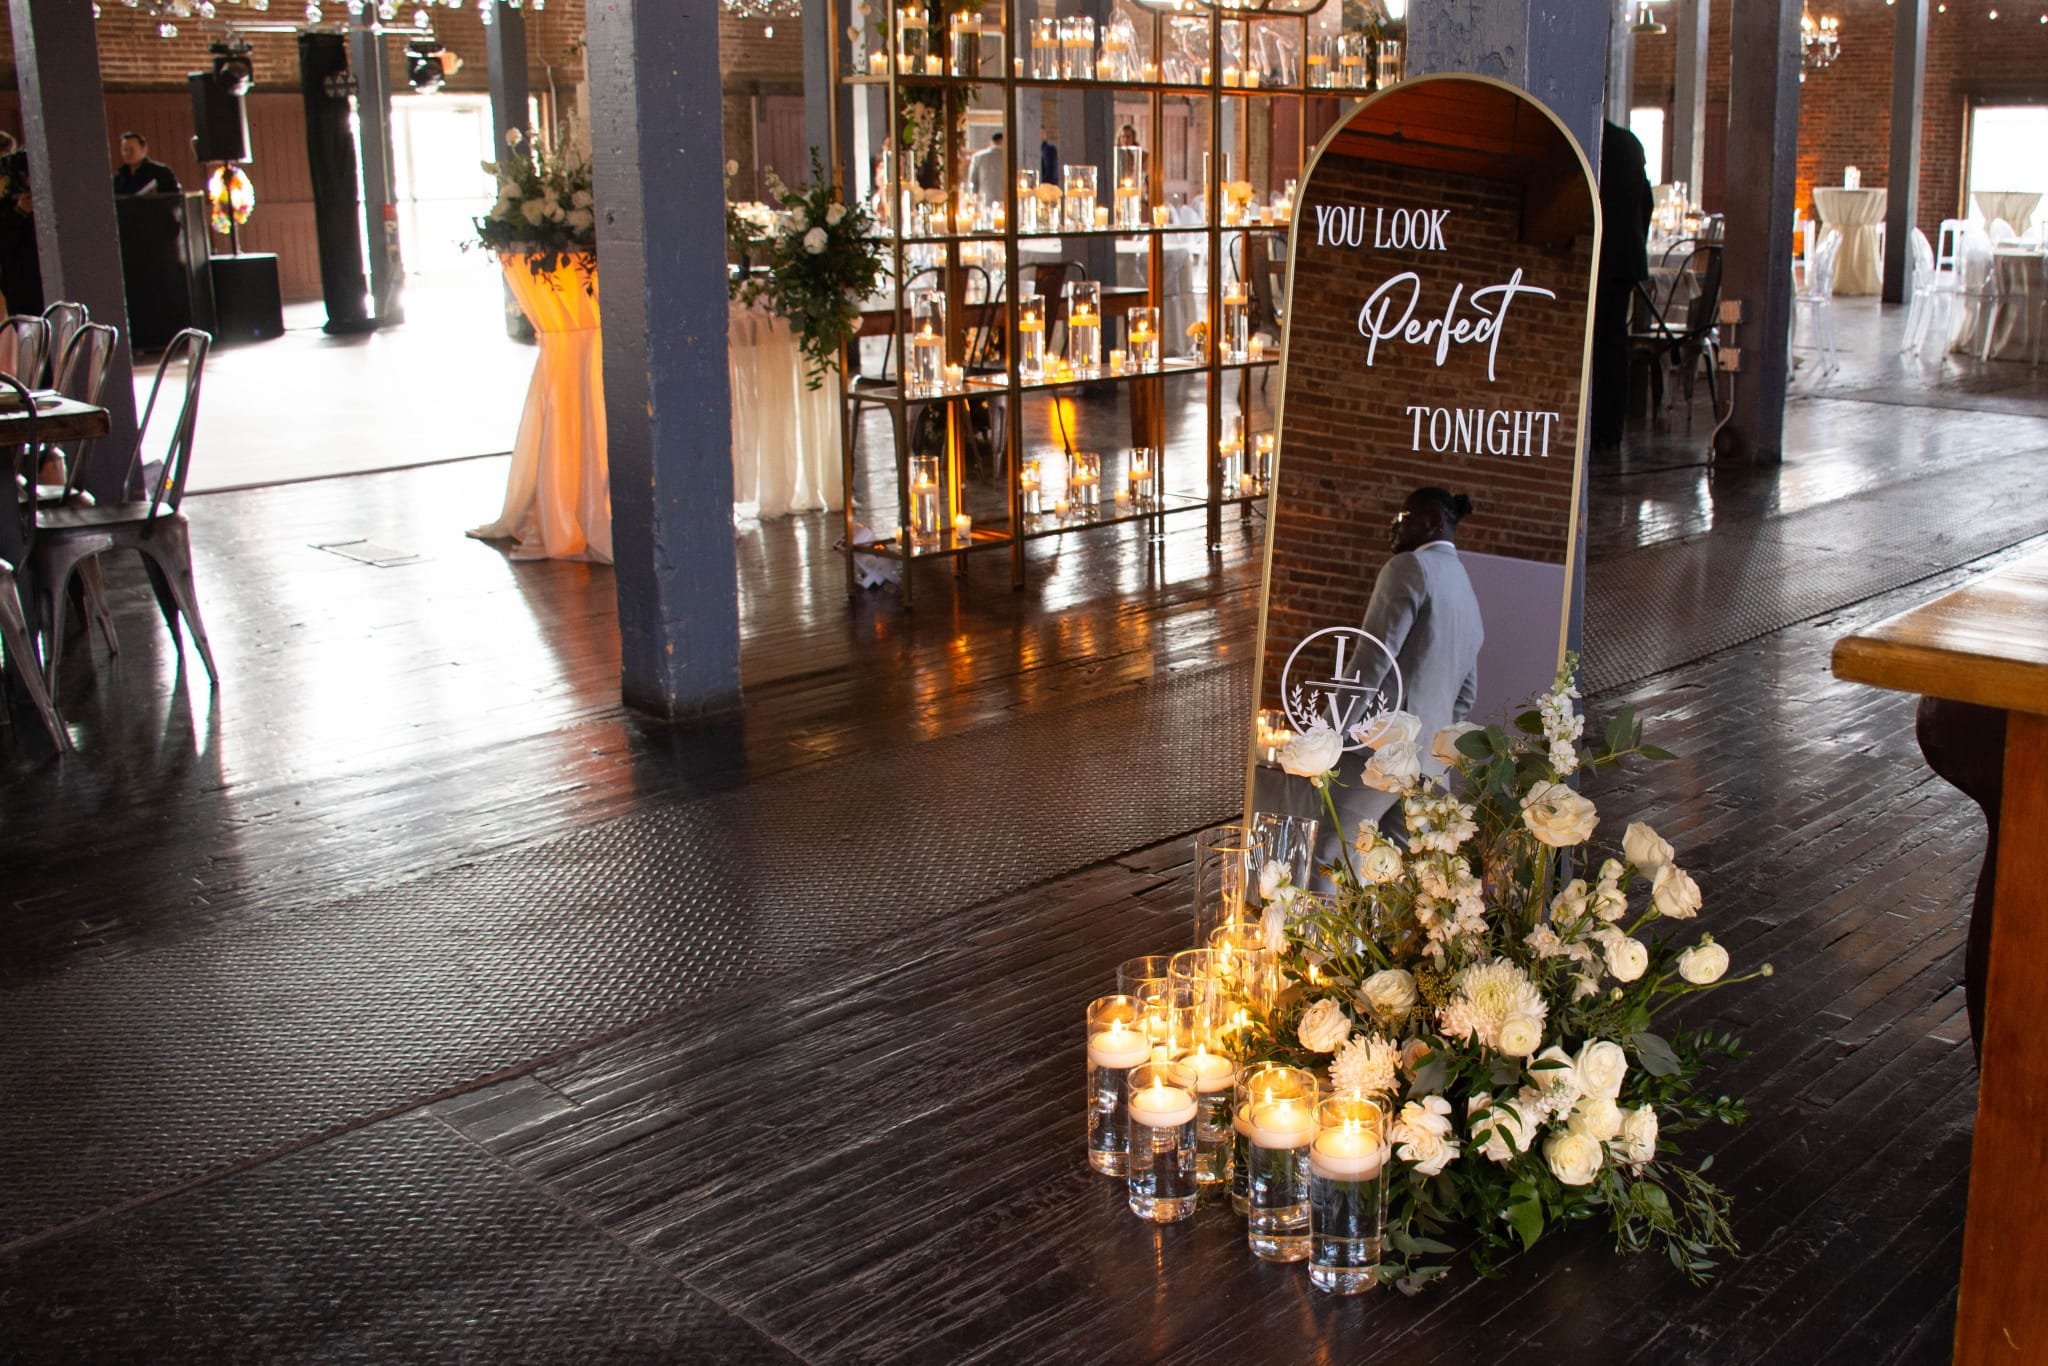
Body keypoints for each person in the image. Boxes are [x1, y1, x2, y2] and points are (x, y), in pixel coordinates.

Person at [1334, 487, 1486, 841]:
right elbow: (1465, 694)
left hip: (1379, 753)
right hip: (1430, 769)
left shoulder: (1410, 566)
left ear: (1432, 522)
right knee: (1394, 878)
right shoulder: (1466, 589)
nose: (1395, 526)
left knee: (1333, 853)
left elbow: (1373, 656)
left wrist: (1330, 733)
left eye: (1403, 518)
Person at [1591, 120, 1652, 450]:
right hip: (1625, 259)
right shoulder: (1629, 142)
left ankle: (1596, 426)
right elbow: (1647, 204)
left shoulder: (1587, 138)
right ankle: (1610, 429)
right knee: (1614, 345)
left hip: (1599, 258)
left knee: (1597, 347)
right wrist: (1636, 241)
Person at [113, 132, 180, 197]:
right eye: (125, 150)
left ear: (143, 149)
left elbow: (173, 198)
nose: (127, 153)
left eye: (131, 149)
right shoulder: (118, 178)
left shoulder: (161, 172)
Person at [968, 131, 1005, 205]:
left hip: (985, 198)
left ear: (991, 141)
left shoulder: (978, 157)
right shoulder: (1009, 156)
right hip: (1005, 199)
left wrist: (974, 196)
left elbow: (973, 179)